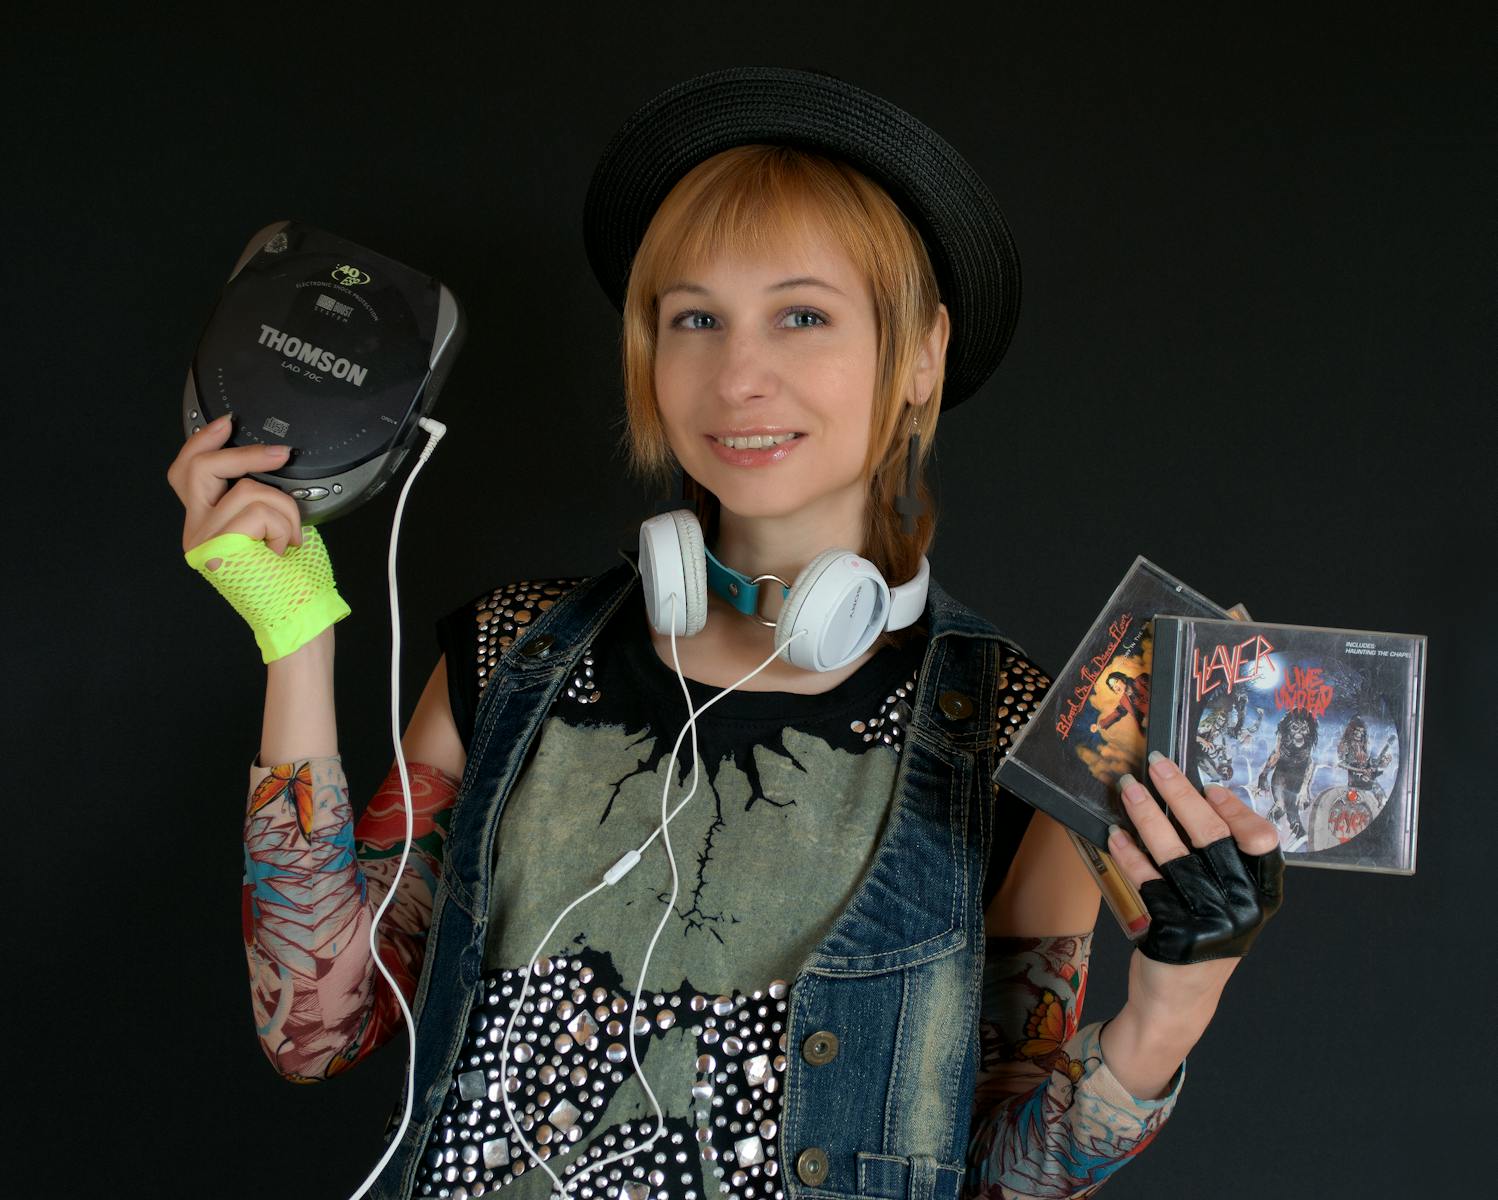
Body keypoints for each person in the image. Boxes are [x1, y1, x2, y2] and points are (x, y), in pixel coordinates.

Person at [168, 67, 1282, 1200]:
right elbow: (315, 1027)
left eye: (802, 315)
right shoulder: (512, 657)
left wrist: (1170, 1007)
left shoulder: (1011, 737)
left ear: (920, 357)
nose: (738, 375)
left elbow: (998, 1179)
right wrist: (294, 633)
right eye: (693, 318)